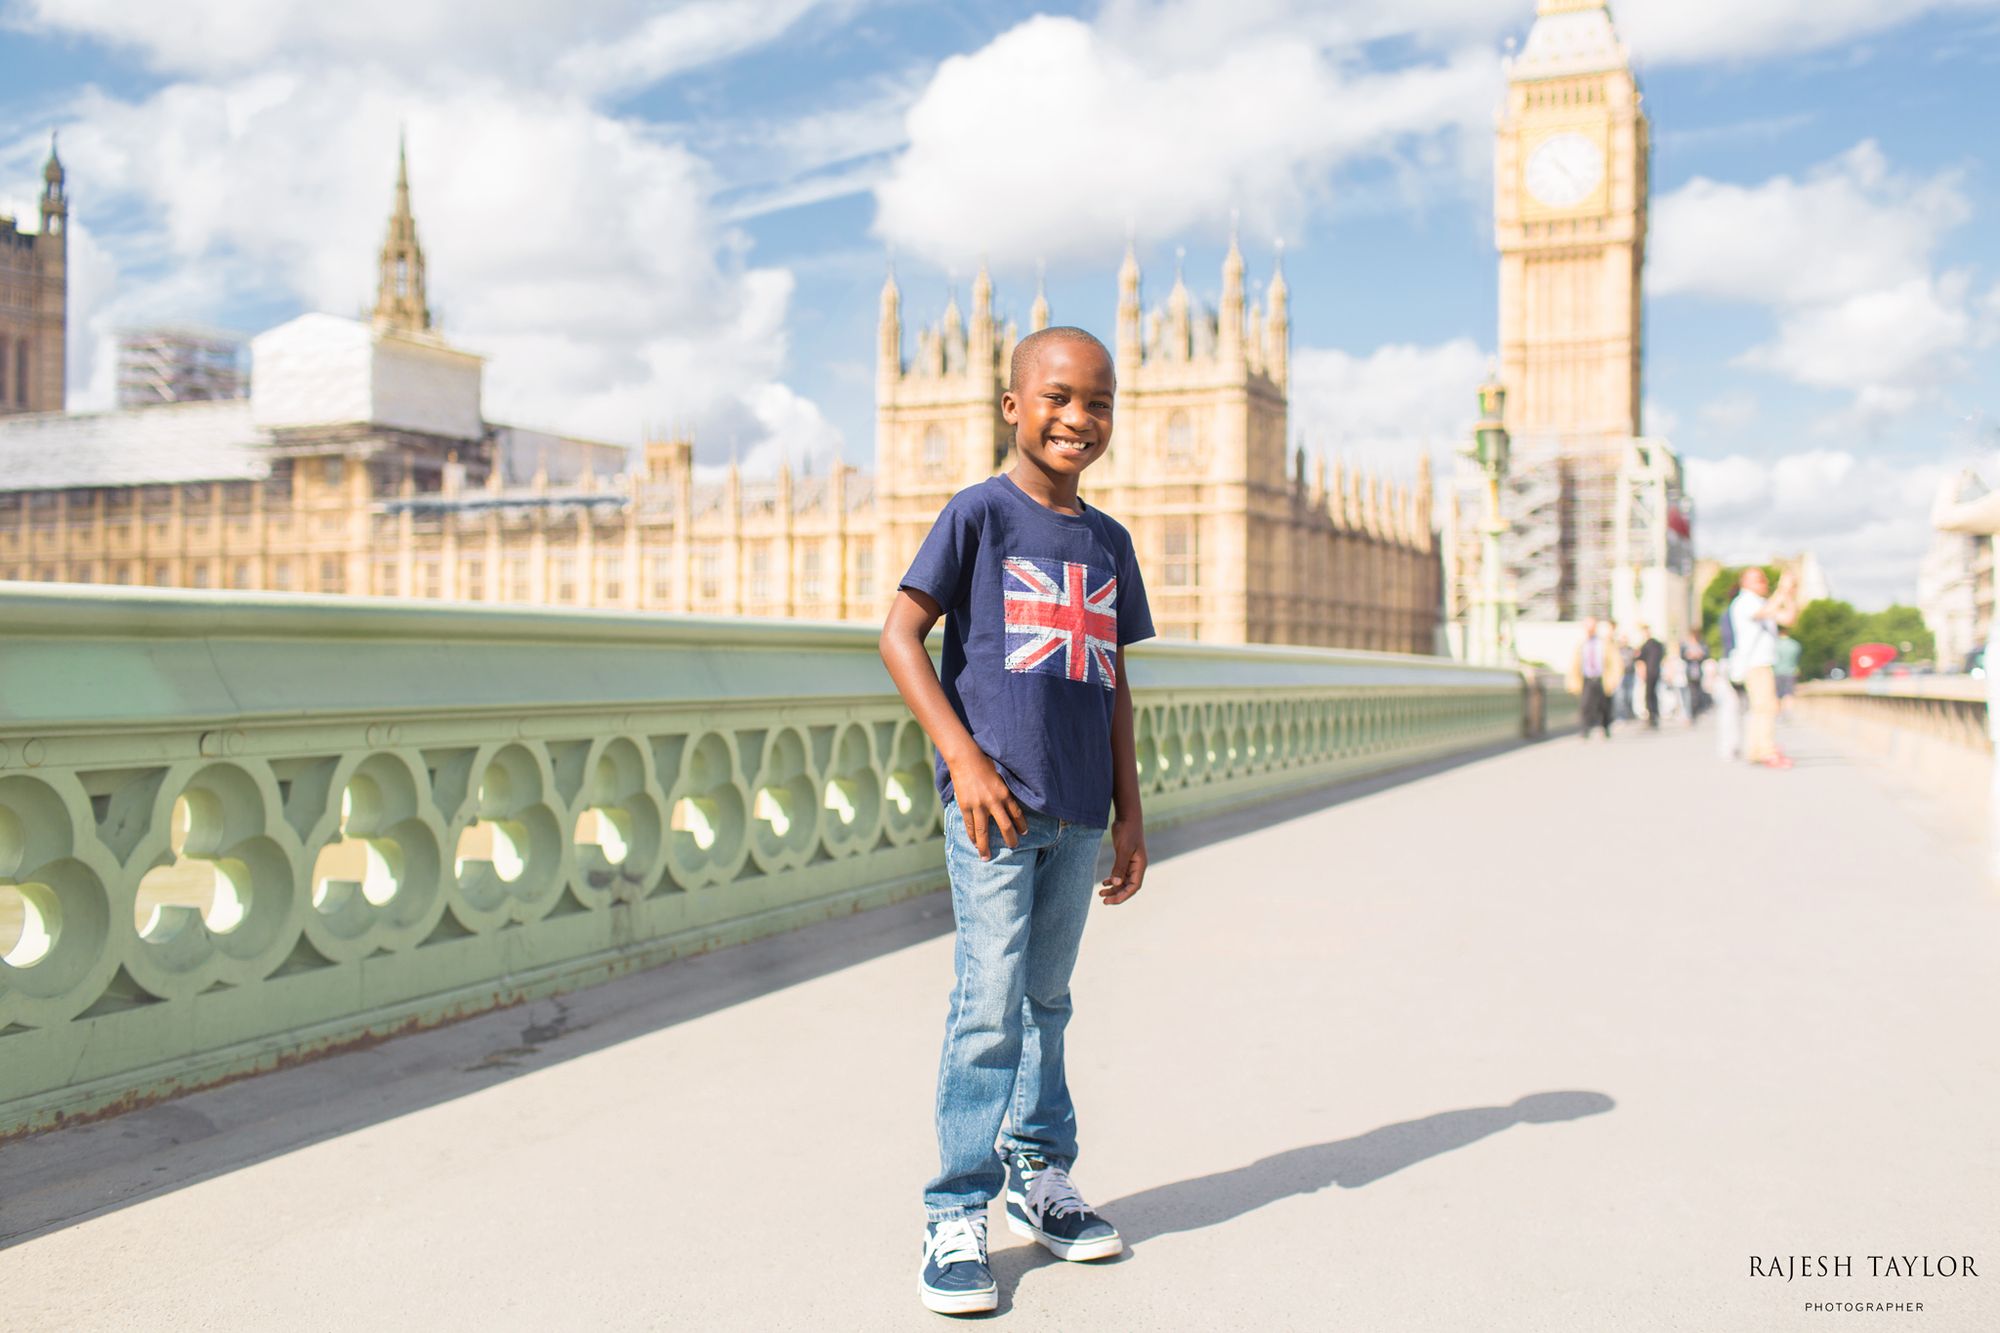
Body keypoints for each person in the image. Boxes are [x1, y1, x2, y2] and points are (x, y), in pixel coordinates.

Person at [880, 325, 1154, 1316]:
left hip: (1080, 808)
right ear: (1010, 406)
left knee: (1047, 1000)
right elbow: (898, 634)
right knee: (986, 1004)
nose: (1077, 418)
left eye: (1097, 402)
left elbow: (1114, 680)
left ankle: (1038, 1174)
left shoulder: (1107, 540)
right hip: (992, 805)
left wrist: (1130, 808)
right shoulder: (977, 515)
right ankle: (954, 1207)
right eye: (1056, 398)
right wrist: (961, 758)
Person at [1727, 567, 1798, 769]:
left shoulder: (1759, 601)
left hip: (1764, 661)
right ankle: (1766, 751)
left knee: (1762, 707)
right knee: (1766, 707)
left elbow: (1788, 619)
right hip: (1755, 662)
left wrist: (1789, 595)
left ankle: (1757, 749)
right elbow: (1765, 613)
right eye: (1758, 580)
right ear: (1745, 583)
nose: (1764, 583)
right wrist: (1782, 591)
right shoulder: (1744, 602)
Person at [1566, 616, 1621, 740]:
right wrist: (1572, 681)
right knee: (1586, 705)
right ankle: (1585, 729)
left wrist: (1614, 679)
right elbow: (1574, 665)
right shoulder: (1581, 645)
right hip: (1587, 678)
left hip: (1602, 678)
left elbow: (1615, 662)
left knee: (1604, 705)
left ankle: (1605, 726)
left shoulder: (1604, 643)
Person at [1635, 624, 1665, 729]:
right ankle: (1653, 714)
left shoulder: (1648, 645)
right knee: (1652, 694)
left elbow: (1639, 659)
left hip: (1651, 672)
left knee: (1650, 695)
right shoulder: (1656, 644)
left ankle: (1653, 715)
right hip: (1654, 671)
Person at [1680, 630, 1708, 720]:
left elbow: (1706, 654)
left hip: (1698, 670)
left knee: (1698, 691)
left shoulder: (1702, 644)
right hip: (1690, 671)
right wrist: (1689, 656)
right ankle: (1692, 711)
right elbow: (1682, 655)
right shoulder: (1686, 645)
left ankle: (1698, 709)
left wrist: (1700, 655)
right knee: (1691, 692)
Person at [1775, 630, 1802, 712]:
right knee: (1789, 693)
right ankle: (1788, 712)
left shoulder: (1775, 644)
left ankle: (1779, 712)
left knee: (1777, 694)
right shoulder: (1795, 645)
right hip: (1790, 672)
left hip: (1776, 672)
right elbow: (1796, 659)